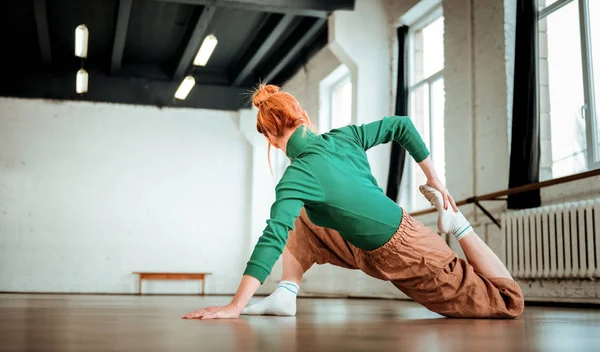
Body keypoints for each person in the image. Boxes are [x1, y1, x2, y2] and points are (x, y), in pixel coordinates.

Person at [182, 84, 524, 320]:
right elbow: (400, 125)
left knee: (508, 303)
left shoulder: (297, 175)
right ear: (301, 114)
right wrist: (432, 176)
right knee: (302, 215)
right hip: (366, 245)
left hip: (408, 250)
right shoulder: (343, 138)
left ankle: (457, 224)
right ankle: (286, 293)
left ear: (270, 137)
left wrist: (236, 305)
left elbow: (272, 236)